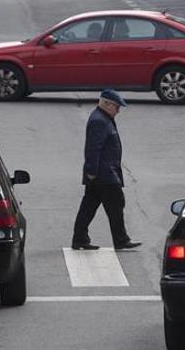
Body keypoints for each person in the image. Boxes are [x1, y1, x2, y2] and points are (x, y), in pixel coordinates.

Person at [71, 89, 142, 251]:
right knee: (116, 204)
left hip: (103, 172)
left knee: (89, 206)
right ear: (106, 104)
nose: (118, 111)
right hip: (103, 173)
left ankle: (80, 238)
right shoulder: (99, 121)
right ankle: (120, 239)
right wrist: (92, 171)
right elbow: (93, 148)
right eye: (116, 107)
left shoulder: (103, 118)